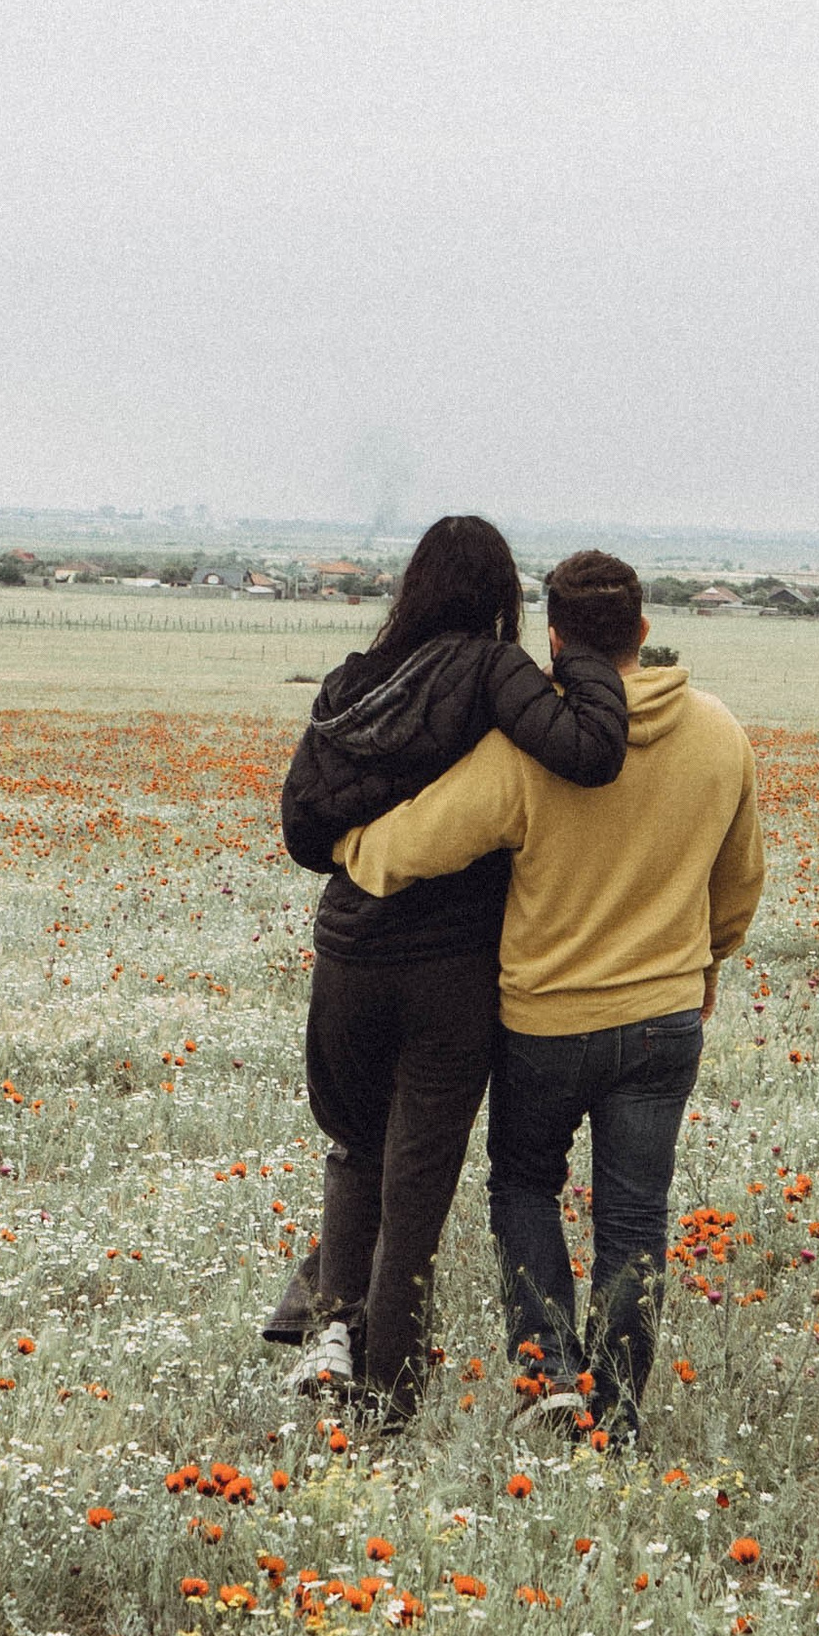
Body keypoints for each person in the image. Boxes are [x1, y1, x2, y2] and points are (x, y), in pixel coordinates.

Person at [335, 547, 761, 1441]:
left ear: (556, 639)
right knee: (636, 1217)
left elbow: (417, 841)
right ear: (644, 630)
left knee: (525, 1186)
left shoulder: (529, 753)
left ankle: (551, 1376)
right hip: (664, 1021)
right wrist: (705, 966)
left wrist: (347, 847)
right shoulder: (721, 733)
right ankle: (620, 1412)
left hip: (545, 1023)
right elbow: (739, 884)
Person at [278, 515, 629, 1419]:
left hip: (348, 955)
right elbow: (589, 753)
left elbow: (302, 831)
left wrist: (368, 836)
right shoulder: (489, 667)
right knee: (418, 1175)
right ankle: (389, 1389)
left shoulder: (354, 681)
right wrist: (585, 653)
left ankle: (332, 1333)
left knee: (355, 1148)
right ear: (502, 596)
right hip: (448, 968)